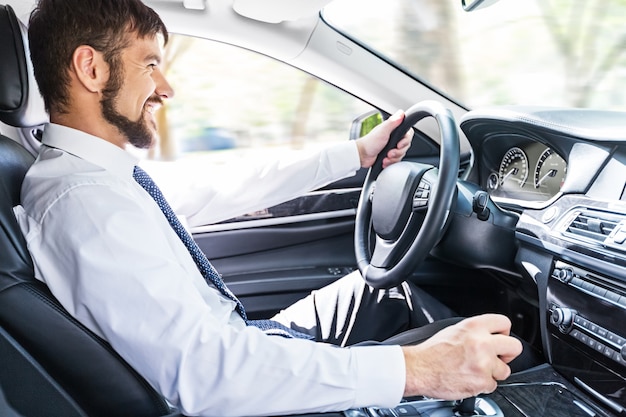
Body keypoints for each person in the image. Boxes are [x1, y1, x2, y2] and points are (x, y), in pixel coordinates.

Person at [14, 0, 523, 416]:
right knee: (465, 357)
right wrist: (420, 370)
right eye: (150, 64)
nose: (166, 87)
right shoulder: (82, 203)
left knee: (383, 288)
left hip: (241, 341)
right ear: (91, 67)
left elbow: (221, 190)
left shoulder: (95, 175)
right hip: (230, 381)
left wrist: (355, 155)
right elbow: (207, 372)